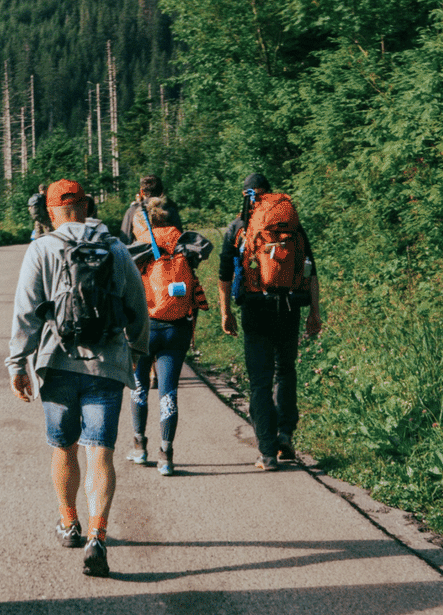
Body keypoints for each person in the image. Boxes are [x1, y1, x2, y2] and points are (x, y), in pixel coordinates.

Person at [7, 178, 147, 578]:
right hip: (107, 365)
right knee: (99, 450)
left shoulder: (42, 248)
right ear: (87, 205)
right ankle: (98, 536)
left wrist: (17, 363)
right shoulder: (116, 249)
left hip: (58, 363)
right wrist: (137, 354)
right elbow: (137, 307)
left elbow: (27, 311)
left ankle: (69, 523)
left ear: (51, 212)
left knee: (63, 446)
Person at [217, 172, 323, 471]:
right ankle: (285, 434)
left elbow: (225, 275)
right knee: (285, 370)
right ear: (269, 194)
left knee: (260, 381)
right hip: (290, 305)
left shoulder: (239, 227)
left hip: (255, 307)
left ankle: (266, 452)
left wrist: (226, 311)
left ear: (246, 194)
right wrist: (314, 312)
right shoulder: (291, 224)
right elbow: (310, 269)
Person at [127, 196, 209, 477]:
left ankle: (139, 446)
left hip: (146, 328)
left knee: (138, 387)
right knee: (168, 391)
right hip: (177, 327)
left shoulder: (142, 243)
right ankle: (167, 454)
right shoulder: (183, 242)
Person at [119, 173, 183, 246]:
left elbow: (124, 241)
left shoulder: (133, 211)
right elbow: (181, 239)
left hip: (143, 255)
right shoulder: (171, 209)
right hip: (170, 255)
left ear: (142, 191)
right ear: (161, 193)